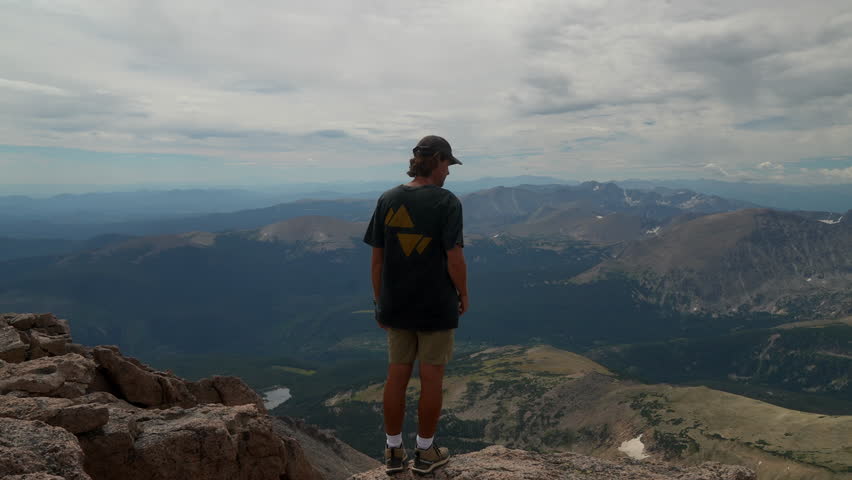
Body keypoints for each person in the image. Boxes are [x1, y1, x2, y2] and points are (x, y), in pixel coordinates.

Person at [363, 135, 468, 475]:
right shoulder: (447, 202)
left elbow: (377, 260)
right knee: (432, 378)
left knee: (396, 376)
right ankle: (425, 452)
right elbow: (454, 258)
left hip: (396, 304)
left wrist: (380, 302)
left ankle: (393, 452)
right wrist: (463, 294)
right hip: (435, 304)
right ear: (436, 160)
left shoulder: (388, 198)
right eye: (447, 164)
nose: (449, 172)